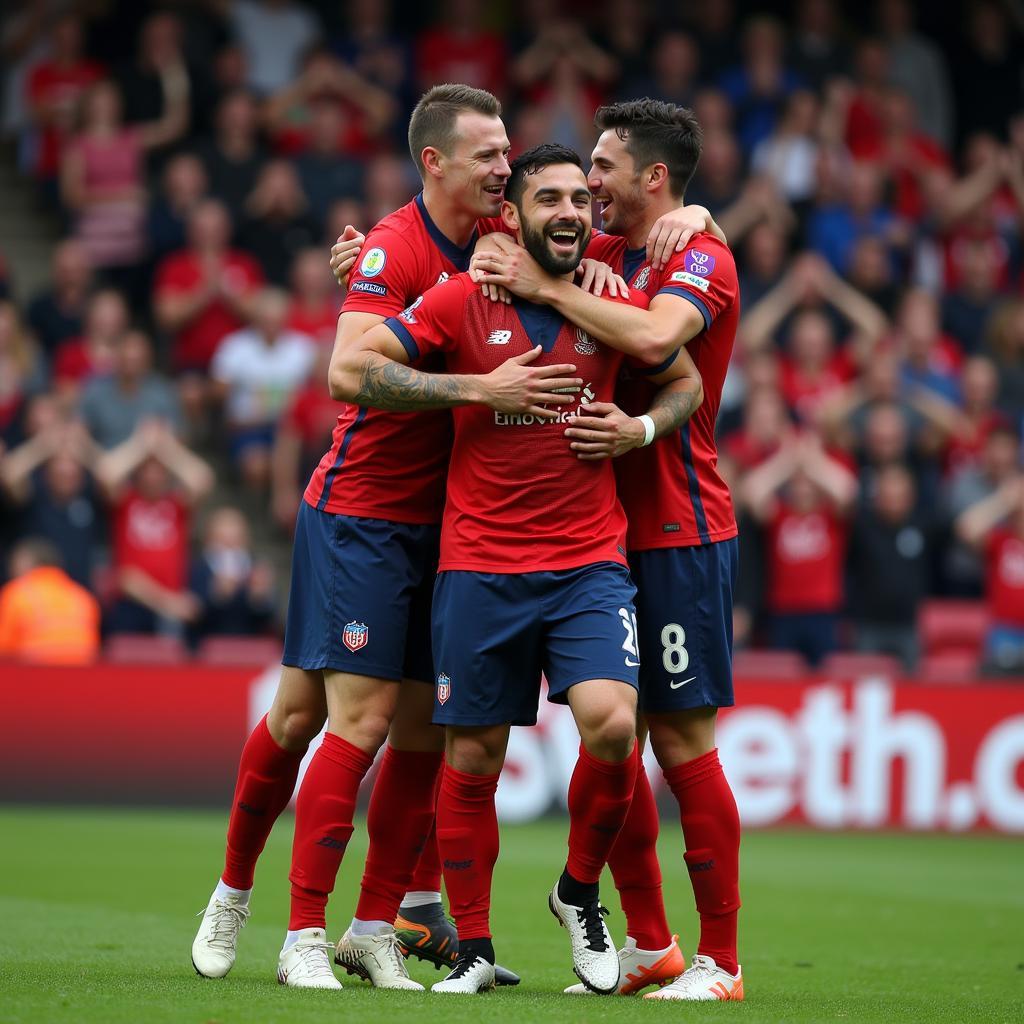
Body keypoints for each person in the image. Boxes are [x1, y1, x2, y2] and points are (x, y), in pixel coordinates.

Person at [332, 143, 704, 995]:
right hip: (479, 566)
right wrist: (472, 387)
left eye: (582, 196)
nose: (571, 210)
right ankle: (472, 947)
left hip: (588, 566)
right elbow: (353, 369)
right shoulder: (464, 296)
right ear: (513, 216)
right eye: (549, 198)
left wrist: (639, 431)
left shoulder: (610, 298)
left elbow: (680, 378)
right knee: (472, 760)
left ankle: (577, 894)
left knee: (613, 724)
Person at [471, 98, 749, 1001]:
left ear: (654, 178)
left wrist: (549, 289)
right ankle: (653, 945)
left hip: (676, 526)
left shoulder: (695, 254)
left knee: (681, 739)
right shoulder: (608, 251)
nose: (587, 183)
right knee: (615, 741)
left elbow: (664, 342)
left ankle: (723, 964)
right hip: (595, 534)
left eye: (603, 167)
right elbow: (494, 215)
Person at [742, 433, 858, 665]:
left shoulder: (830, 516)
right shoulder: (779, 514)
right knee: (781, 678)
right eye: (797, 482)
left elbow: (848, 490)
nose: (802, 488)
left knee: (827, 681)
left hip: (823, 611)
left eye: (808, 482)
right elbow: (750, 491)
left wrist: (813, 461)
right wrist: (786, 461)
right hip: (783, 611)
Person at [96, 420, 213, 636]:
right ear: (137, 473)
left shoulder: (176, 504)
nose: (153, 475)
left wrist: (166, 448)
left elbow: (203, 479)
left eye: (159, 470)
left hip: (171, 610)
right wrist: (140, 445)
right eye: (147, 469)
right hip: (131, 604)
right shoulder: (126, 501)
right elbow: (106, 473)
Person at [956, 476, 1024, 673]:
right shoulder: (1001, 539)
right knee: (1000, 689)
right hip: (1005, 632)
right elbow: (966, 529)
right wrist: (1003, 500)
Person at [0, 537, 100, 664]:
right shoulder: (82, 596)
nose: (11, 569)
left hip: (32, 672)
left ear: (27, 562)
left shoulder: (17, 593)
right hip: (82, 670)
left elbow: (4, 647)